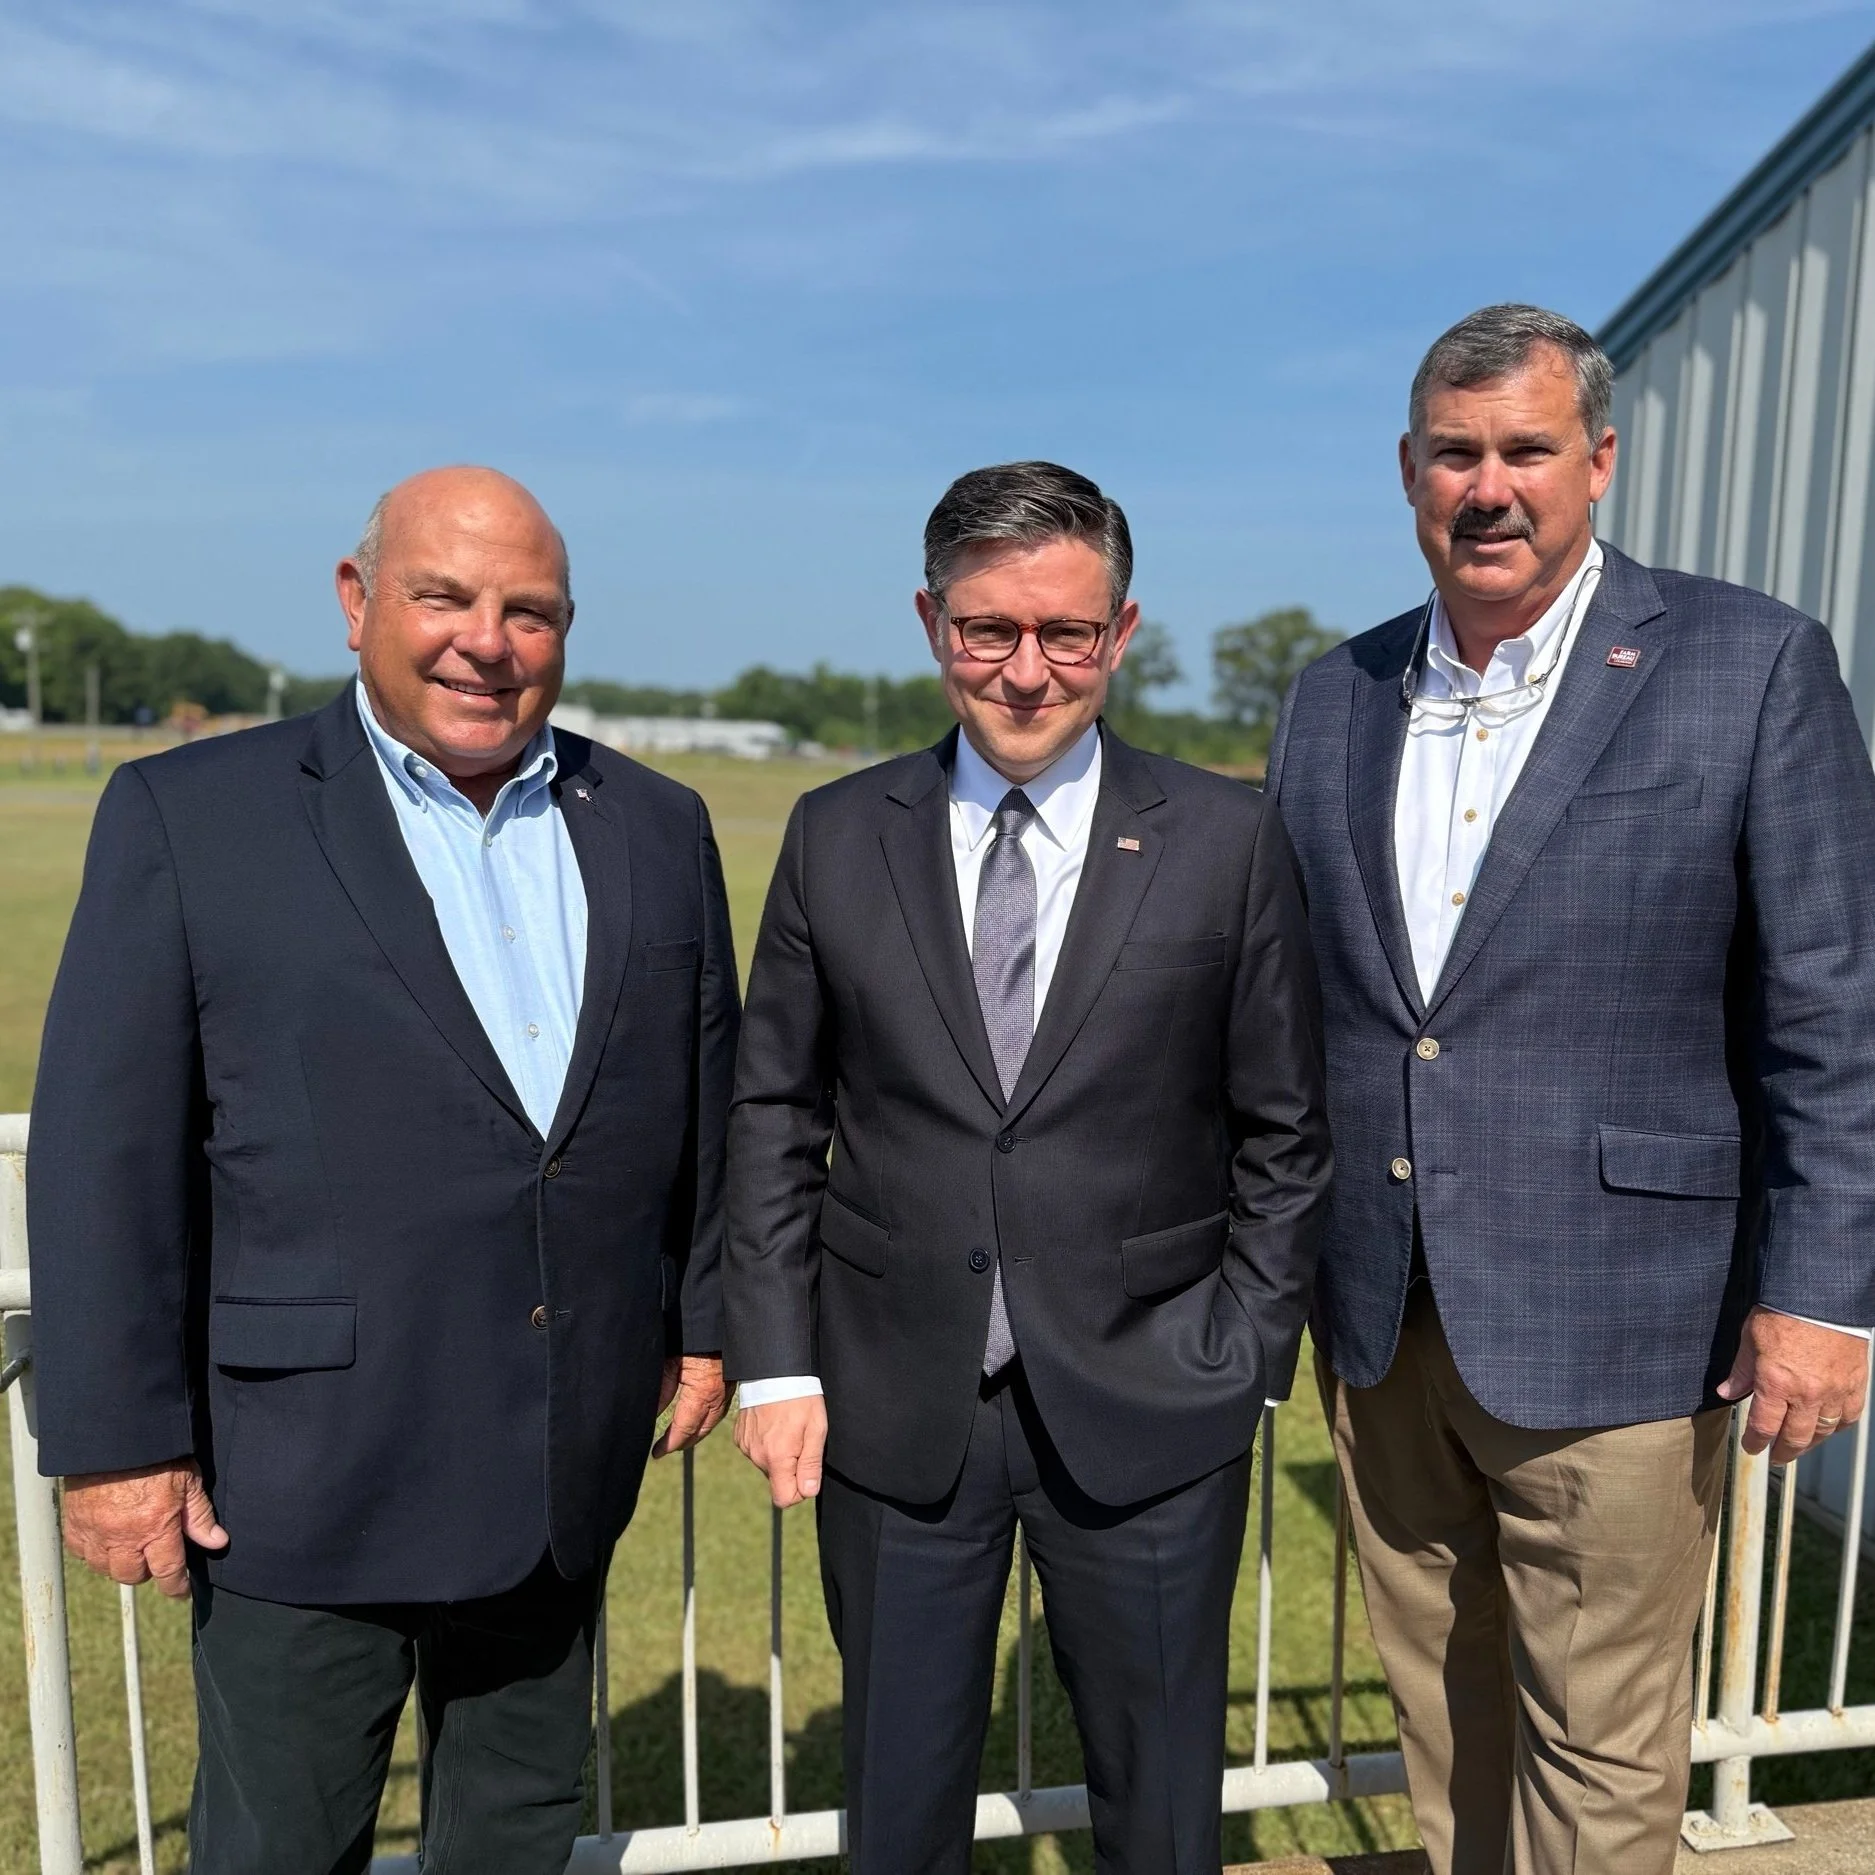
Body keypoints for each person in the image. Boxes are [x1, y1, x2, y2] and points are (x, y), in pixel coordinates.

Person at [29, 466, 740, 1875]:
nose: (489, 641)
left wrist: (704, 1323)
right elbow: (105, 1149)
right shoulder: (192, 812)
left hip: (558, 1464)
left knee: (516, 1836)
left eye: (530, 611)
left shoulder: (657, 825)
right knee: (283, 1847)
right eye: (445, 596)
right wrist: (115, 1443)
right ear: (357, 602)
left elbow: (702, 1102)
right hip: (302, 1475)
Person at [1267, 304, 1875, 1875]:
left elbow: (1830, 1004)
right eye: (1454, 453)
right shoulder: (1333, 693)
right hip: (1382, 1310)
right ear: (1407, 470)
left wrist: (1822, 1294)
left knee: (1599, 1740)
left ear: (1596, 461)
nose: (1489, 487)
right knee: (1444, 1707)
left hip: (1625, 1312)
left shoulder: (1748, 664)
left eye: (1524, 450)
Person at [724, 460, 1332, 1873]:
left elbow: (1286, 1131)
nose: (1025, 668)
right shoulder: (834, 834)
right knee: (898, 1805)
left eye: (1065, 631)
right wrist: (775, 1363)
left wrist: (1242, 1353)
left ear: (1122, 632)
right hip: (894, 1400)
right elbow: (773, 1114)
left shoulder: (1228, 841)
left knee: (1161, 1810)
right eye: (987, 628)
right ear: (930, 620)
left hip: (1153, 1396)